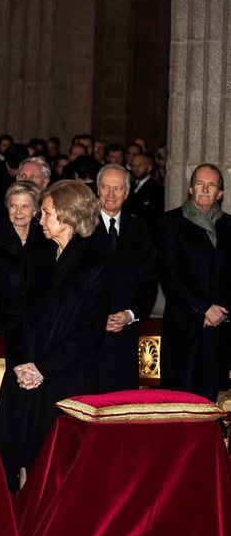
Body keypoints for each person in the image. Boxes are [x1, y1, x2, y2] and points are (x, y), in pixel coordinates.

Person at [0, 180, 109, 491]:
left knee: (55, 467)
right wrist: (20, 363)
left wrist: (43, 368)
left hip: (65, 378)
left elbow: (90, 330)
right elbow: (15, 316)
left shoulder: (95, 263)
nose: (39, 220)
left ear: (69, 216)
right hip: (24, 375)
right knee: (17, 457)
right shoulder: (37, 257)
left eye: (46, 213)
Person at [157, 163, 231, 400]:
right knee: (179, 405)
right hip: (184, 329)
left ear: (220, 193)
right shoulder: (171, 223)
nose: (206, 189)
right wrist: (203, 309)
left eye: (212, 185)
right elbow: (170, 276)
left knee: (210, 408)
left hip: (218, 330)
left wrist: (220, 312)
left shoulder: (230, 226)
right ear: (190, 188)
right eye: (200, 183)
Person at [93, 164, 159, 393]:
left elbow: (149, 280)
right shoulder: (81, 228)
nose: (111, 195)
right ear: (97, 189)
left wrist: (130, 314)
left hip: (126, 335)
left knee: (121, 405)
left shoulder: (139, 229)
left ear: (127, 193)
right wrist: (96, 317)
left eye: (118, 188)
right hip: (89, 336)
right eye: (106, 187)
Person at [0, 181, 45, 335]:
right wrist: (13, 313)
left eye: (25, 206)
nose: (18, 212)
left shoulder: (45, 241)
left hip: (37, 324)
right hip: (2, 325)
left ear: (35, 210)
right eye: (14, 205)